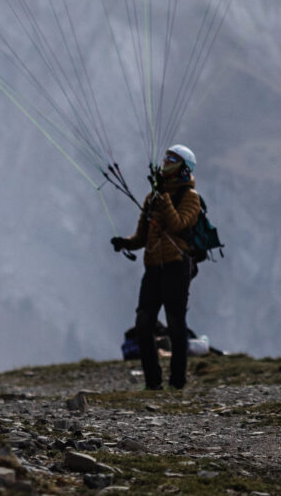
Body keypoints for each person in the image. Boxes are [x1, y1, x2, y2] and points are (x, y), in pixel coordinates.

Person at [110, 143, 203, 390]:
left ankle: (177, 381)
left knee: (175, 324)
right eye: (166, 158)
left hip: (176, 267)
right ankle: (153, 383)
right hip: (153, 269)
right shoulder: (152, 197)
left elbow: (178, 225)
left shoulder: (190, 198)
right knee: (143, 324)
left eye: (172, 160)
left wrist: (164, 200)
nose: (165, 164)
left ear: (182, 168)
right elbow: (141, 237)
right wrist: (124, 243)